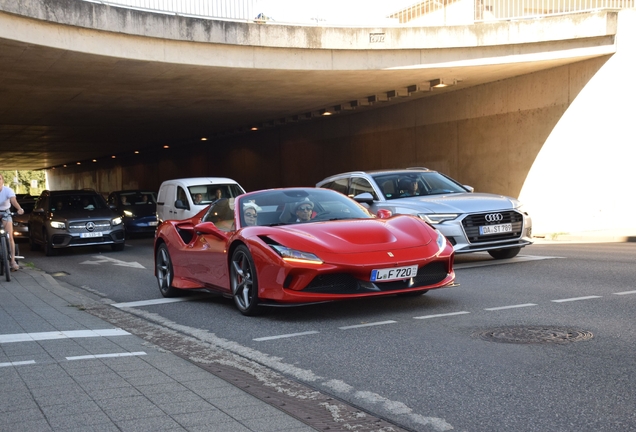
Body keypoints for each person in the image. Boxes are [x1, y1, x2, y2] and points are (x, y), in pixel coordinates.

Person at [0, 173, 24, 271]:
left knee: (10, 237)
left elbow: (13, 201)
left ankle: (12, 261)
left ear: (3, 180)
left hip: (6, 213)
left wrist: (19, 209)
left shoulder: (8, 190)